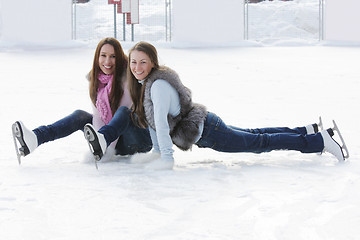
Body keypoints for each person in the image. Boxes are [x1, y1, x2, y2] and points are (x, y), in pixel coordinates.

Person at [87, 41, 349, 169]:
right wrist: (155, 152)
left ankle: (318, 141)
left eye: (142, 62)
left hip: (208, 132)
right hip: (207, 125)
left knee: (260, 143)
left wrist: (164, 158)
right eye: (133, 62)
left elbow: (163, 129)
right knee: (257, 135)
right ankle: (306, 129)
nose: (136, 67)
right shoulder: (148, 85)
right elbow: (157, 125)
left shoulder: (156, 86)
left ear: (152, 63)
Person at [12, 37, 152, 164]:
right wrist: (101, 145)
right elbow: (98, 117)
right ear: (97, 58)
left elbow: (118, 118)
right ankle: (35, 138)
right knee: (80, 115)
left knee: (123, 112)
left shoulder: (127, 77)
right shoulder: (95, 80)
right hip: (113, 140)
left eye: (113, 56)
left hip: (139, 139)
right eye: (103, 56)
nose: (107, 61)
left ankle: (103, 141)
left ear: (120, 58)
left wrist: (106, 148)